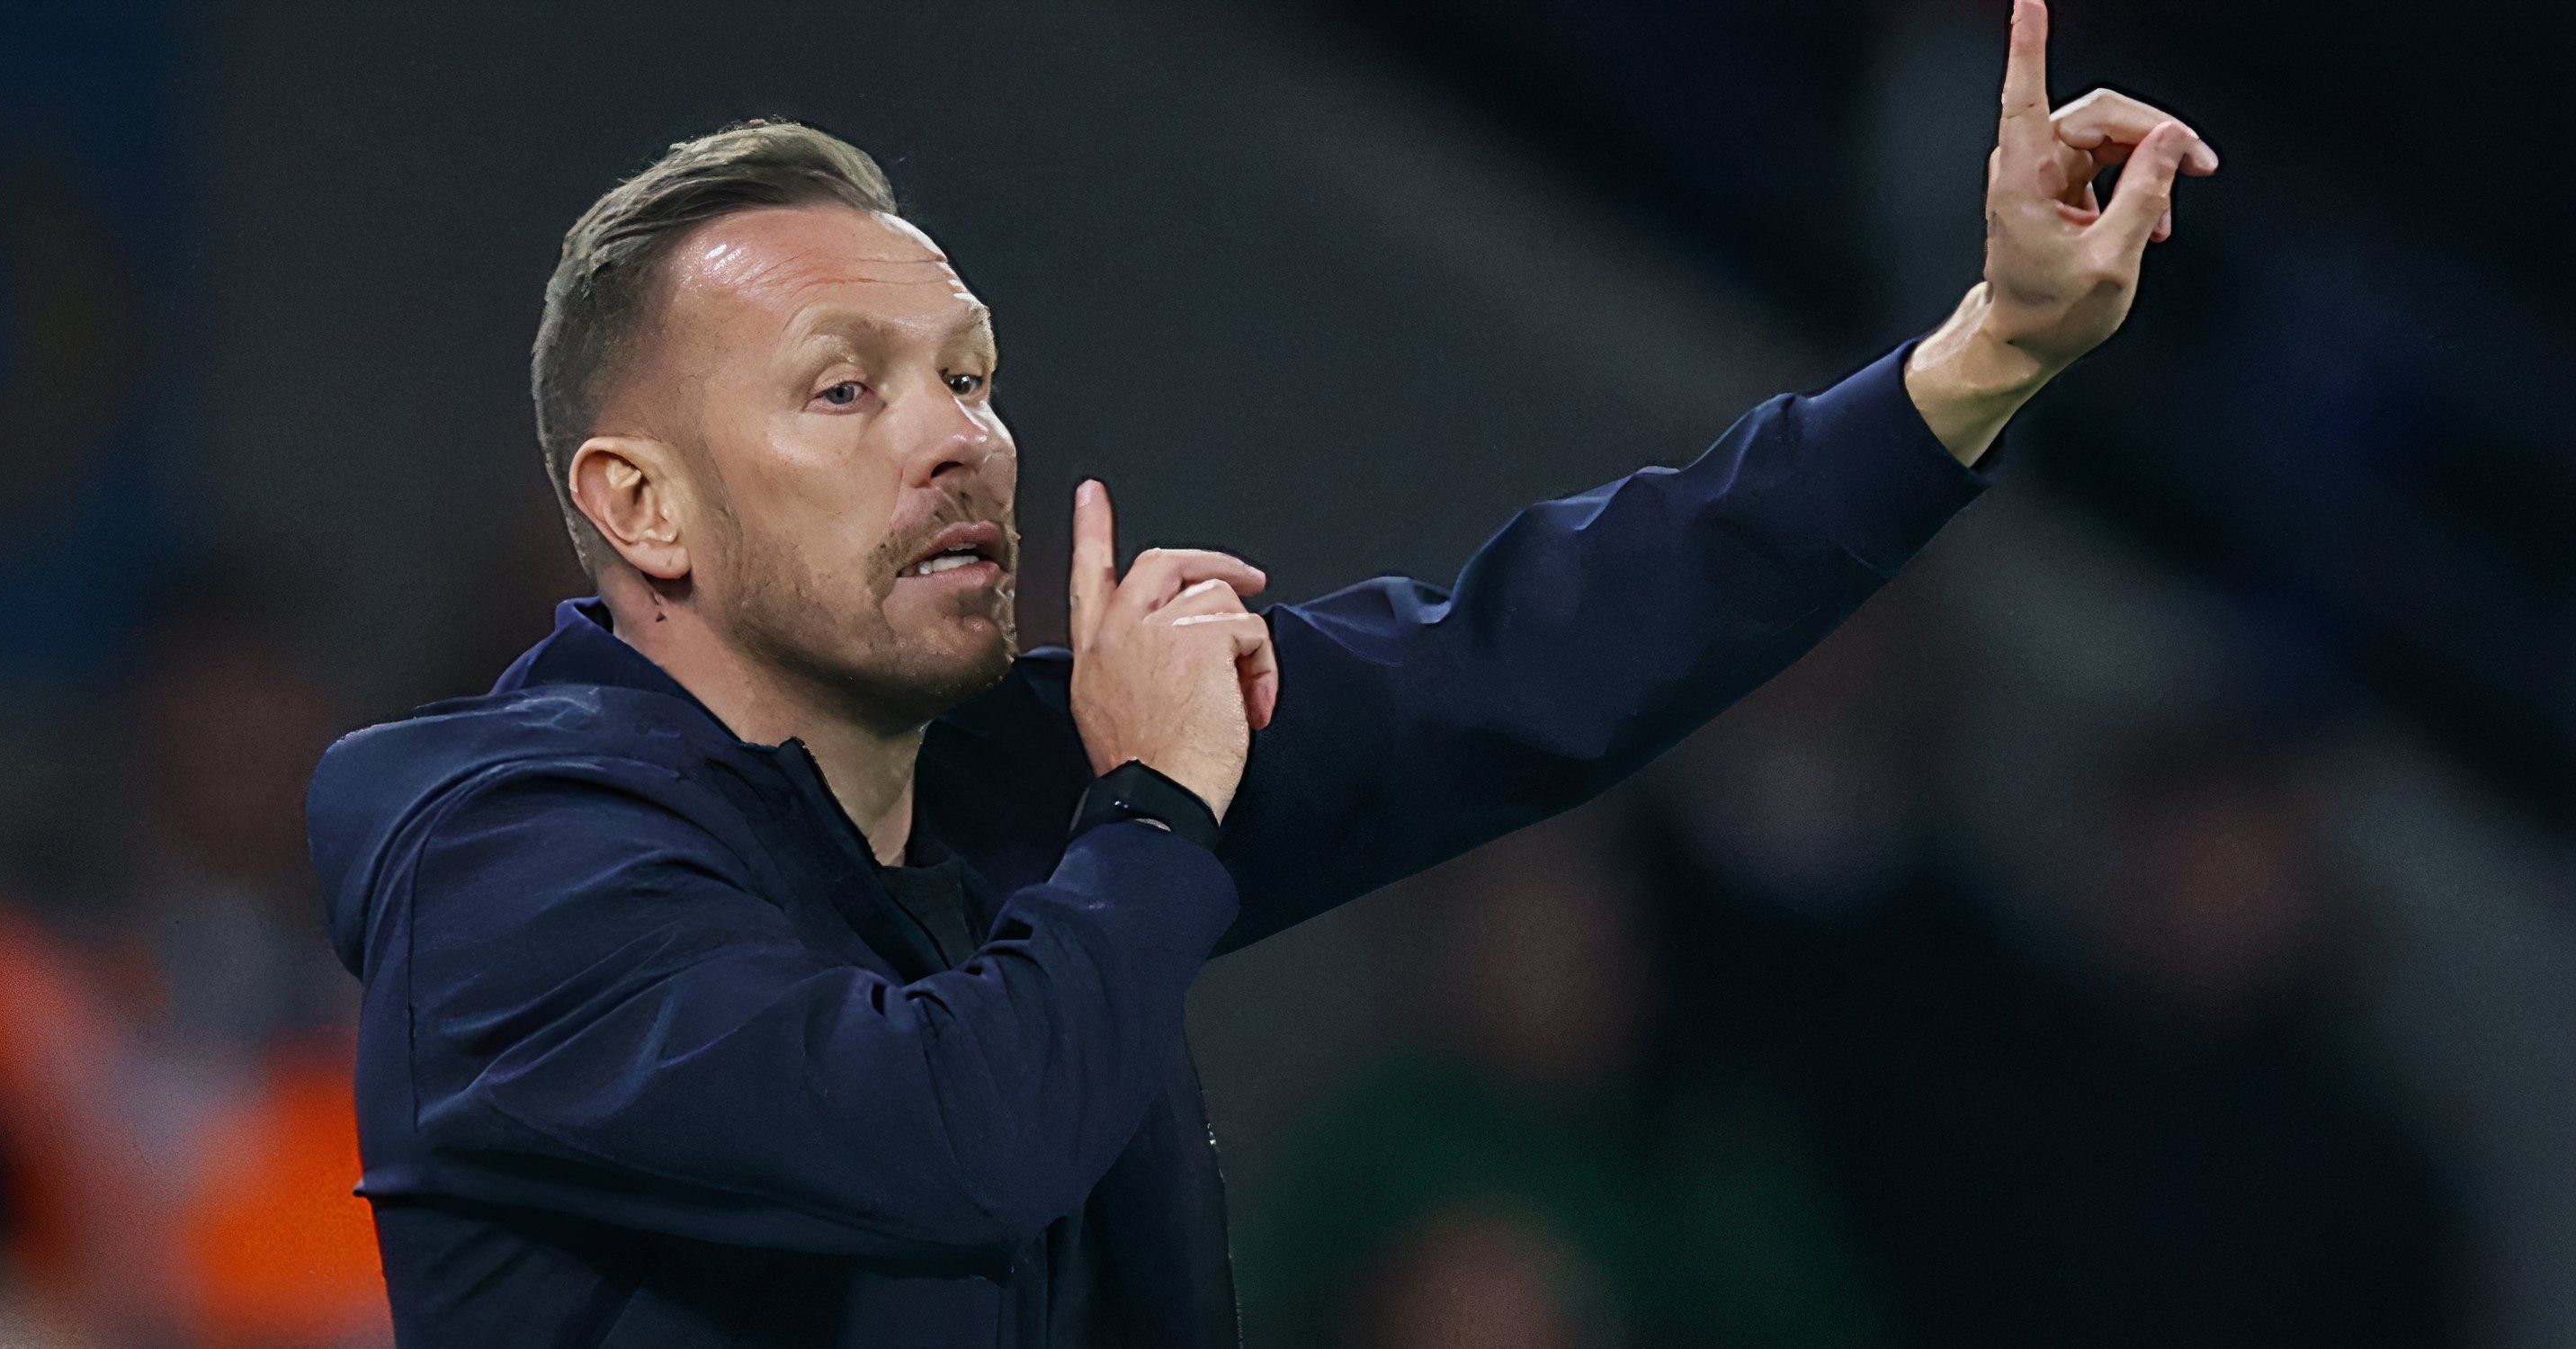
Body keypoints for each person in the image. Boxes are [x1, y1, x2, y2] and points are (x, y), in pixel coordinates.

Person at [305, 4, 2217, 1343]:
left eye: (969, 373)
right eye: (844, 390)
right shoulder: (512, 876)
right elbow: (946, 1145)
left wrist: (1983, 359)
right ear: (641, 506)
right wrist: (1150, 813)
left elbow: (1530, 655)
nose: (959, 437)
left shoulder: (1019, 772)